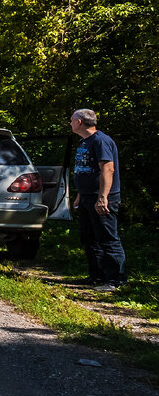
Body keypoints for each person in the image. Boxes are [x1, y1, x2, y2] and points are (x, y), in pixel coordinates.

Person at [70, 108, 126, 289]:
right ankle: (97, 276)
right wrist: (80, 194)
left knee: (108, 238)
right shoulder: (84, 141)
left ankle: (115, 280)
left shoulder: (101, 141)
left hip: (101, 197)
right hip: (87, 196)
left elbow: (108, 169)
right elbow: (85, 170)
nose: (70, 123)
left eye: (71, 120)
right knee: (89, 238)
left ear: (79, 122)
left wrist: (103, 197)